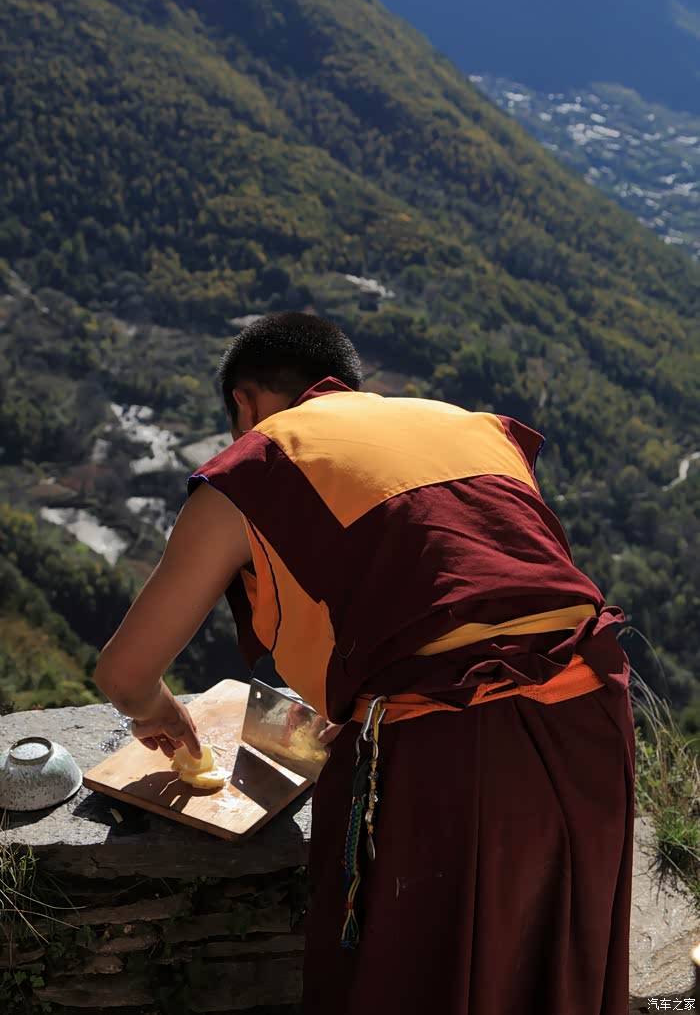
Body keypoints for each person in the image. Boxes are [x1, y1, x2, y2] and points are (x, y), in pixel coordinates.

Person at [95, 311, 634, 1015]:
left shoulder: (258, 464)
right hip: (594, 718)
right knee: (556, 971)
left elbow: (123, 674)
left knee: (419, 984)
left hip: (455, 748)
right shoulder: (469, 427)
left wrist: (157, 710)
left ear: (244, 405)